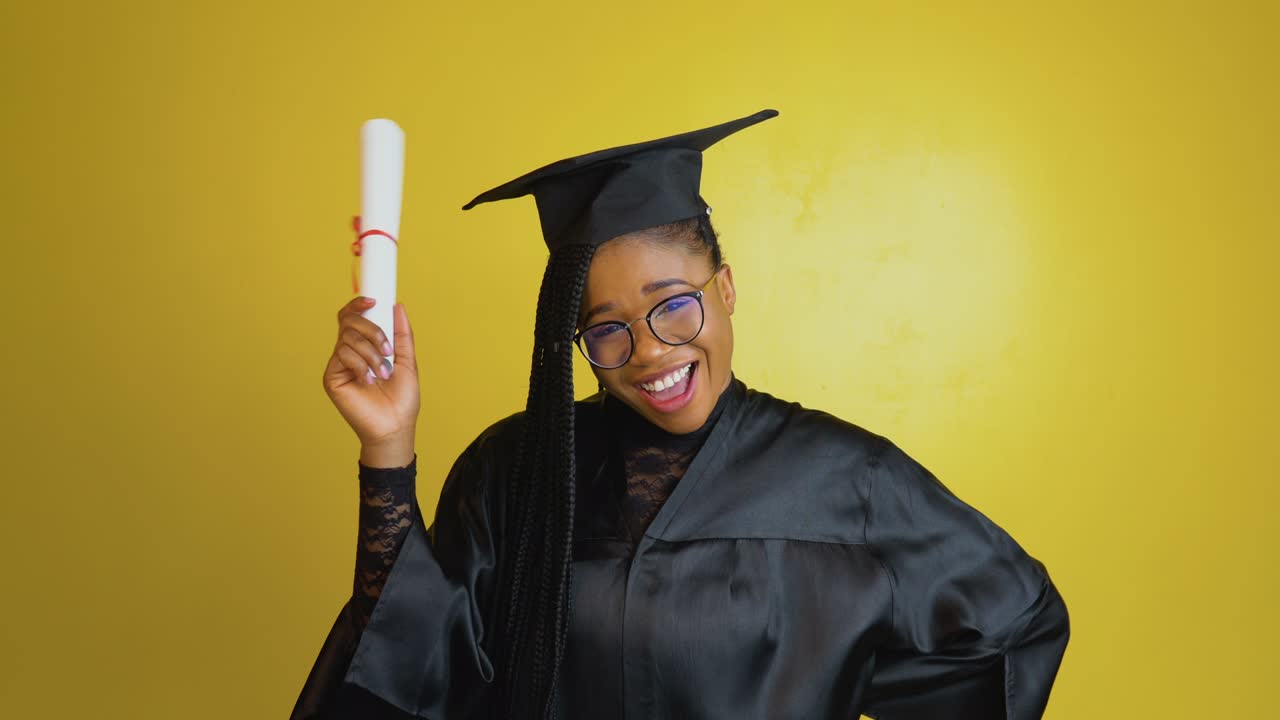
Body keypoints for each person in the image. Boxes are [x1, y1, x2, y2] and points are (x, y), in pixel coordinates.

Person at [291, 109, 1070, 720]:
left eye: (673, 306)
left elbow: (1015, 628)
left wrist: (843, 672)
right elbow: (412, 676)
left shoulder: (847, 478)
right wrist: (387, 447)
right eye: (606, 329)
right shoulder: (515, 470)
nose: (649, 352)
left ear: (724, 288)